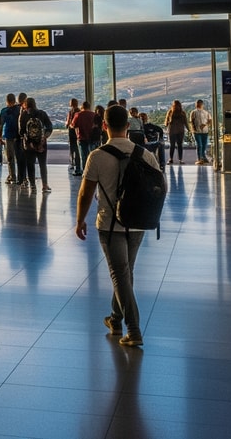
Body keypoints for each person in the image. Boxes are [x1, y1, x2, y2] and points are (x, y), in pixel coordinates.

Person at [74, 104, 159, 347]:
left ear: (104, 126)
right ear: (128, 126)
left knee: (120, 274)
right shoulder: (145, 155)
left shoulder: (97, 156)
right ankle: (114, 318)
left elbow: (85, 193)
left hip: (109, 224)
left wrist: (80, 220)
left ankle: (133, 330)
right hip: (137, 223)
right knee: (125, 272)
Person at [19, 96, 53, 192]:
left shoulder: (23, 115)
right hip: (41, 144)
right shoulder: (42, 113)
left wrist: (29, 143)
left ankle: (33, 185)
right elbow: (49, 127)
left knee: (30, 164)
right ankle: (45, 185)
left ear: (26, 105)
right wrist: (43, 138)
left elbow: (21, 132)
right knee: (42, 164)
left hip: (29, 145)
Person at [71, 101, 100, 177]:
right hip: (92, 138)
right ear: (89, 107)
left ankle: (85, 173)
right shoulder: (94, 115)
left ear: (82, 107)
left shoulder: (78, 115)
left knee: (84, 157)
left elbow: (73, 125)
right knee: (92, 156)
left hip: (82, 138)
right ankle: (93, 173)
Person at [190, 99, 213, 165]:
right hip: (197, 132)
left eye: (200, 103)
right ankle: (199, 158)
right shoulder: (193, 112)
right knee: (199, 145)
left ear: (202, 104)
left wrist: (205, 124)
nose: (199, 105)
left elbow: (210, 120)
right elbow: (192, 121)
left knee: (204, 145)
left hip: (205, 131)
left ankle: (203, 157)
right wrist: (193, 129)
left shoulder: (206, 112)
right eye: (198, 103)